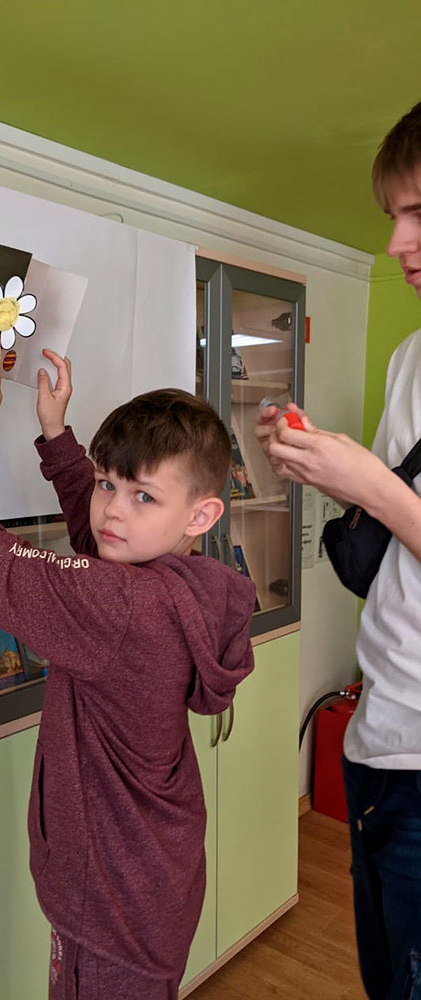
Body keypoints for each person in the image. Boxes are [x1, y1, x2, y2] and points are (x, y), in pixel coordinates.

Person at [0, 328, 257, 999]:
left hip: (109, 914)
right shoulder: (187, 584)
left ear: (201, 515)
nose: (113, 510)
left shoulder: (123, 609)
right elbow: (102, 538)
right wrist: (58, 438)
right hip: (150, 885)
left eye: (144, 496)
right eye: (108, 484)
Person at [255, 102, 421, 1000]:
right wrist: (325, 466)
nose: (396, 244)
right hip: (378, 738)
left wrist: (372, 485)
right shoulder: (410, 358)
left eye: (420, 213)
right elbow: (394, 522)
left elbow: (394, 501)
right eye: (392, 215)